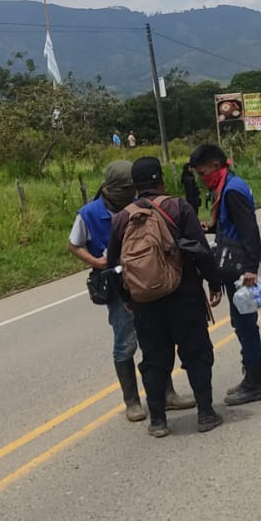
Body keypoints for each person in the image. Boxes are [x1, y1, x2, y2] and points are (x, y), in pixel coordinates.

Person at [106, 156, 223, 437]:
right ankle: (205, 413)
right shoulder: (178, 207)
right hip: (185, 297)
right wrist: (214, 283)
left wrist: (129, 298)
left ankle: (158, 420)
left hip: (146, 304)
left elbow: (114, 265)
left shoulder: (123, 218)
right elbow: (201, 251)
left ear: (135, 185)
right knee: (196, 354)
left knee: (155, 360)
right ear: (160, 179)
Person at [68, 160, 191, 422]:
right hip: (117, 286)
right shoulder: (89, 214)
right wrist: (97, 261)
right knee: (125, 342)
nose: (130, 192)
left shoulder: (141, 205)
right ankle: (132, 401)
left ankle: (167, 394)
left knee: (157, 338)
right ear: (113, 187)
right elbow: (74, 244)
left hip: (149, 281)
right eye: (126, 187)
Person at [188, 143, 261, 405]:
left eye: (203, 173)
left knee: (246, 325)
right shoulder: (227, 185)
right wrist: (211, 227)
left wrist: (250, 268)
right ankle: (250, 377)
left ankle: (256, 381)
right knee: (241, 323)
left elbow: (249, 230)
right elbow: (232, 225)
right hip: (236, 264)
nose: (202, 179)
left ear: (215, 166)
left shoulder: (232, 190)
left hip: (240, 268)